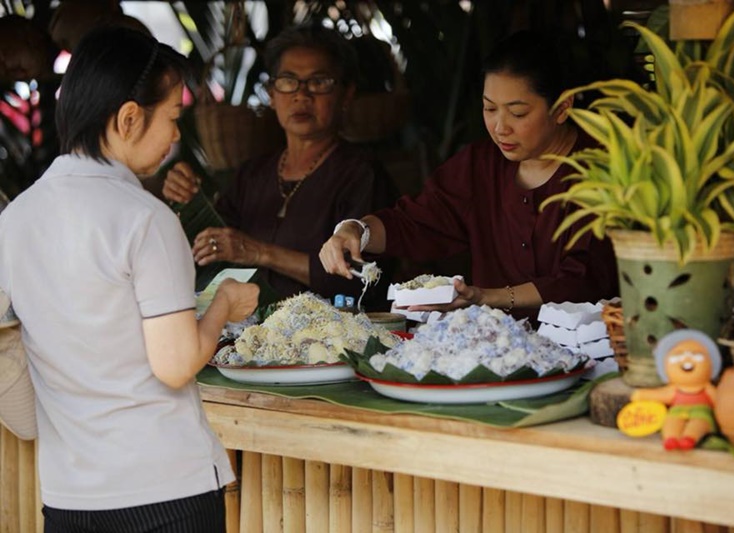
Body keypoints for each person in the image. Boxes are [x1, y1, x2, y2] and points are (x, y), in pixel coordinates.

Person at [0, 26, 259, 532]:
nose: (177, 137)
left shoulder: (15, 220)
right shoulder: (145, 218)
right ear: (128, 118)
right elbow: (177, 363)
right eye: (173, 118)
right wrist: (225, 301)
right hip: (166, 491)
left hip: (69, 496)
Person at [319, 31, 619, 321]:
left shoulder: (603, 167)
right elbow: (418, 221)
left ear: (562, 108)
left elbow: (585, 279)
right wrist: (355, 230)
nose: (500, 127)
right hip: (499, 354)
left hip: (593, 353)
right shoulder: (480, 164)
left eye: (517, 113)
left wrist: (486, 297)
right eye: (490, 109)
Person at [162, 24, 396, 304]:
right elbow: (213, 250)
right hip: (250, 337)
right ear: (271, 94)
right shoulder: (253, 174)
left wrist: (260, 252)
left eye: (319, 82)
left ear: (346, 95)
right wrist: (190, 201)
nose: (301, 95)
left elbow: (363, 280)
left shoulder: (362, 175)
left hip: (331, 339)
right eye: (288, 81)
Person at [631, 330, 721, 451]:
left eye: (695, 354)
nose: (687, 358)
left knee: (699, 424)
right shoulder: (673, 389)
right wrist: (642, 395)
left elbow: (721, 402)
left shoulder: (707, 388)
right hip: (676, 411)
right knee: (671, 422)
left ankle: (690, 438)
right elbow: (660, 394)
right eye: (678, 354)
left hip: (702, 411)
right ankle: (670, 438)